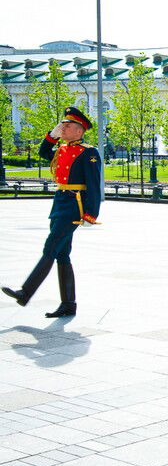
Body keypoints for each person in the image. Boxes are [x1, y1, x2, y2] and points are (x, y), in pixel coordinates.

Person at [3, 107, 101, 317]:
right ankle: (68, 304)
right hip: (60, 203)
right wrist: (51, 136)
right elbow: (43, 153)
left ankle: (25, 292)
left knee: (51, 247)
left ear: (79, 131)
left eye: (67, 126)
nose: (63, 129)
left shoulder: (89, 152)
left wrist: (91, 213)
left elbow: (94, 184)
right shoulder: (63, 149)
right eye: (62, 126)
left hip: (75, 205)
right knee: (62, 254)